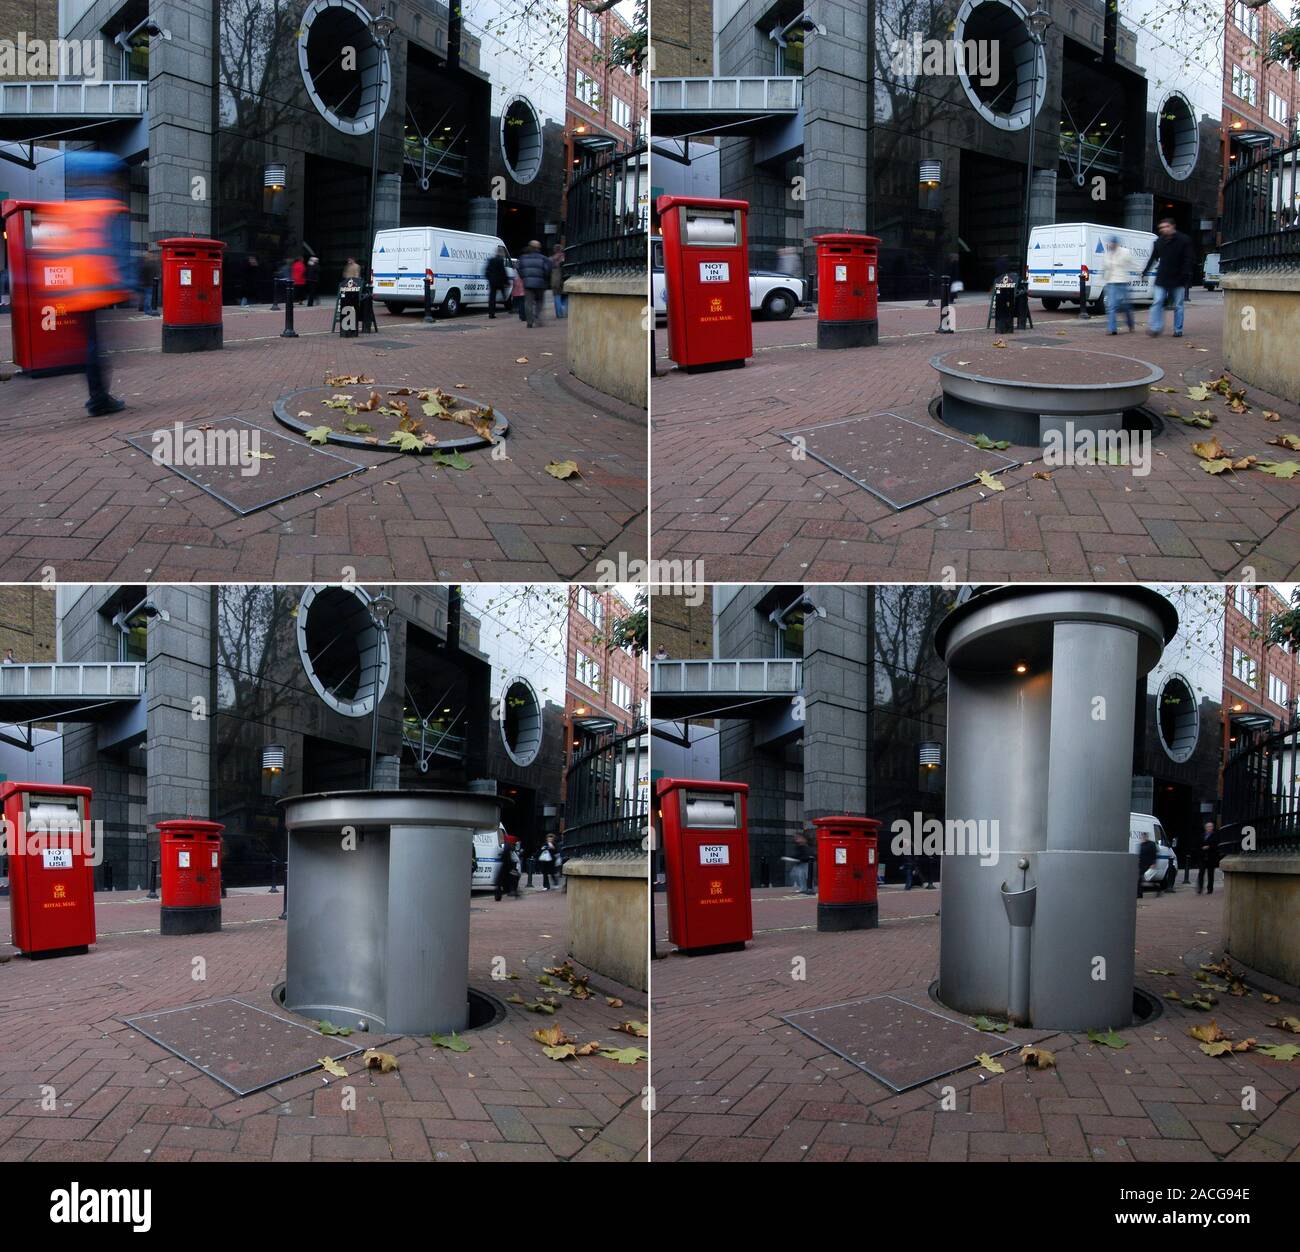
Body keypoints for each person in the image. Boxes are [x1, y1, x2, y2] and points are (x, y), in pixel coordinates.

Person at [1142, 218, 1194, 337]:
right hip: (1162, 277)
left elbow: (1188, 259)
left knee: (1178, 305)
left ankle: (1178, 329)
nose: (1163, 229)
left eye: (1166, 227)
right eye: (1161, 228)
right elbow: (1153, 258)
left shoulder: (1184, 240)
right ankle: (1156, 327)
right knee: (1157, 302)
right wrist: (1145, 271)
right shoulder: (1159, 242)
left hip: (1178, 278)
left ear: (1173, 227)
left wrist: (1185, 275)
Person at [1102, 236, 1136, 335]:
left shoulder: (1125, 252)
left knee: (1125, 306)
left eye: (1113, 243)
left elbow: (1132, 263)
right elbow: (1104, 268)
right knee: (1111, 306)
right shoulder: (1107, 255)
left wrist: (1141, 272)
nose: (1111, 245)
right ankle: (1112, 329)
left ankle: (1130, 324)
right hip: (1111, 283)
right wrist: (1102, 279)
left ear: (1117, 244)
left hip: (1122, 282)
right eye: (1110, 243)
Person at [517, 239, 552, 328]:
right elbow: (547, 271)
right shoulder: (543, 258)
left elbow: (519, 270)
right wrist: (544, 279)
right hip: (540, 284)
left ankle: (529, 321)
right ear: (539, 248)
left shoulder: (523, 258)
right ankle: (537, 317)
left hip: (528, 283)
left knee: (528, 302)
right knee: (539, 301)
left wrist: (524, 278)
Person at [485, 246, 510, 319]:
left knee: (492, 298)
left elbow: (487, 270)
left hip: (492, 281)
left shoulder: (491, 260)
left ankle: (491, 313)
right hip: (499, 281)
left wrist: (489, 278)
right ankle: (508, 306)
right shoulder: (500, 260)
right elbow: (503, 271)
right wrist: (507, 281)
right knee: (504, 295)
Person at [1197, 820, 1220, 894]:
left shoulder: (1215, 835)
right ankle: (1200, 888)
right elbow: (1198, 845)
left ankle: (1210, 889)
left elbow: (1216, 845)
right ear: (1205, 828)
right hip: (1203, 857)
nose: (1209, 828)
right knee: (1201, 873)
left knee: (1210, 874)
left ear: (1213, 828)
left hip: (1211, 857)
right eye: (1208, 826)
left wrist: (1209, 847)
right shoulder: (1202, 835)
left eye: (1211, 826)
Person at [1137, 831, 1157, 897]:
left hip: (1149, 864)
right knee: (1139, 879)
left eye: (1143, 836)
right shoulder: (1141, 844)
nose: (1142, 838)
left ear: (1146, 837)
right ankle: (1139, 894)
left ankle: (1156, 889)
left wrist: (1153, 863)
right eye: (1142, 837)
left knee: (1148, 879)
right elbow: (1140, 854)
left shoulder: (1151, 844)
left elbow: (1154, 854)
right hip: (1142, 864)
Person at [550, 242, 567, 319]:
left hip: (555, 279)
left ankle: (559, 313)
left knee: (557, 296)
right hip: (563, 278)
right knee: (565, 296)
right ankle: (565, 312)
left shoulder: (551, 259)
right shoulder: (565, 258)